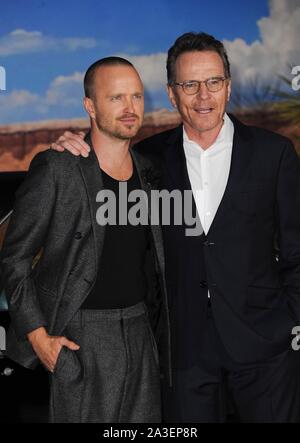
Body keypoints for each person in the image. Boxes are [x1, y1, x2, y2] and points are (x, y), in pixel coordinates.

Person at [51, 32, 300, 423]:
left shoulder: (274, 153)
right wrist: (72, 149)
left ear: (228, 87)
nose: (203, 96)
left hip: (264, 350)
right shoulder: (146, 159)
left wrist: (288, 322)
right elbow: (100, 188)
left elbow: (296, 249)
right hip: (182, 354)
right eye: (190, 85)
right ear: (171, 94)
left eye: (213, 82)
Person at [0, 56, 172, 423]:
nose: (130, 109)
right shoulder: (58, 167)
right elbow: (14, 259)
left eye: (137, 97)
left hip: (142, 335)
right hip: (80, 338)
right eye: (116, 98)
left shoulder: (150, 171)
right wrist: (38, 337)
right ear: (90, 106)